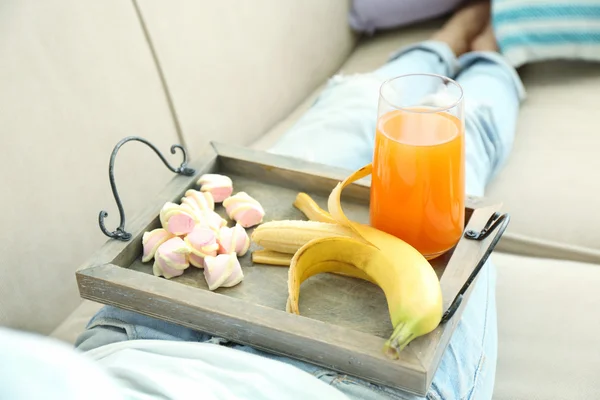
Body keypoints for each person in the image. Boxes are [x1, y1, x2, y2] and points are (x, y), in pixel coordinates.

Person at [1, 2, 525, 399]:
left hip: (140, 339)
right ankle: (495, 57)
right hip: (353, 383)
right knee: (462, 147)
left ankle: (442, 42)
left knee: (353, 106)